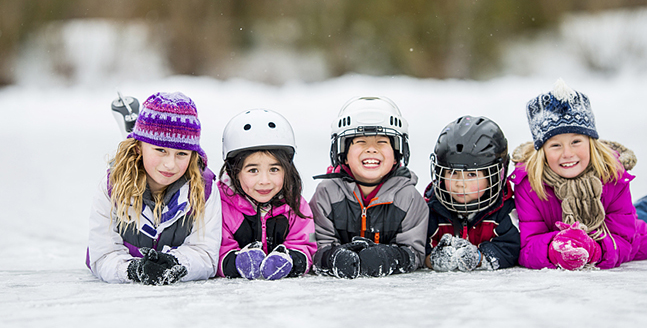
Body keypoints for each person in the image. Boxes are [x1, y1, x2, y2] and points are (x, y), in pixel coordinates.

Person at [512, 79, 647, 270]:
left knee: (645, 229)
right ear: (542, 151)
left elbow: (623, 239)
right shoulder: (529, 185)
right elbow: (528, 246)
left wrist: (594, 250)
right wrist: (555, 249)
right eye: (555, 145)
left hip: (626, 234)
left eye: (576, 141)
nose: (567, 153)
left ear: (590, 142)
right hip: (570, 239)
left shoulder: (612, 176)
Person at [87, 92, 222, 285]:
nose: (170, 164)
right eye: (161, 150)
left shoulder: (203, 189)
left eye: (182, 153)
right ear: (138, 148)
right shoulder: (112, 186)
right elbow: (102, 254)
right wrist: (133, 270)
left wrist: (176, 264)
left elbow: (205, 254)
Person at [309, 96, 429, 278]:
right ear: (343, 154)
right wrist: (332, 257)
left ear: (397, 155)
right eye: (360, 142)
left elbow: (415, 252)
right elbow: (317, 247)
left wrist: (389, 257)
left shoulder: (409, 197)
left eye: (382, 142)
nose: (371, 149)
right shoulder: (327, 193)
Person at [217, 109, 316, 280]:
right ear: (234, 171)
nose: (265, 180)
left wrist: (291, 260)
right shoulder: (221, 205)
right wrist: (236, 263)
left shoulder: (295, 205)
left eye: (274, 169)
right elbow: (218, 249)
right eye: (253, 170)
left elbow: (305, 244)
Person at [424, 116, 520, 272]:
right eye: (452, 172)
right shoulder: (431, 210)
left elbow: (510, 249)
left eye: (471, 175)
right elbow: (418, 250)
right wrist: (432, 259)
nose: (460, 183)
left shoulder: (505, 211)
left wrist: (479, 257)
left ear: (497, 176)